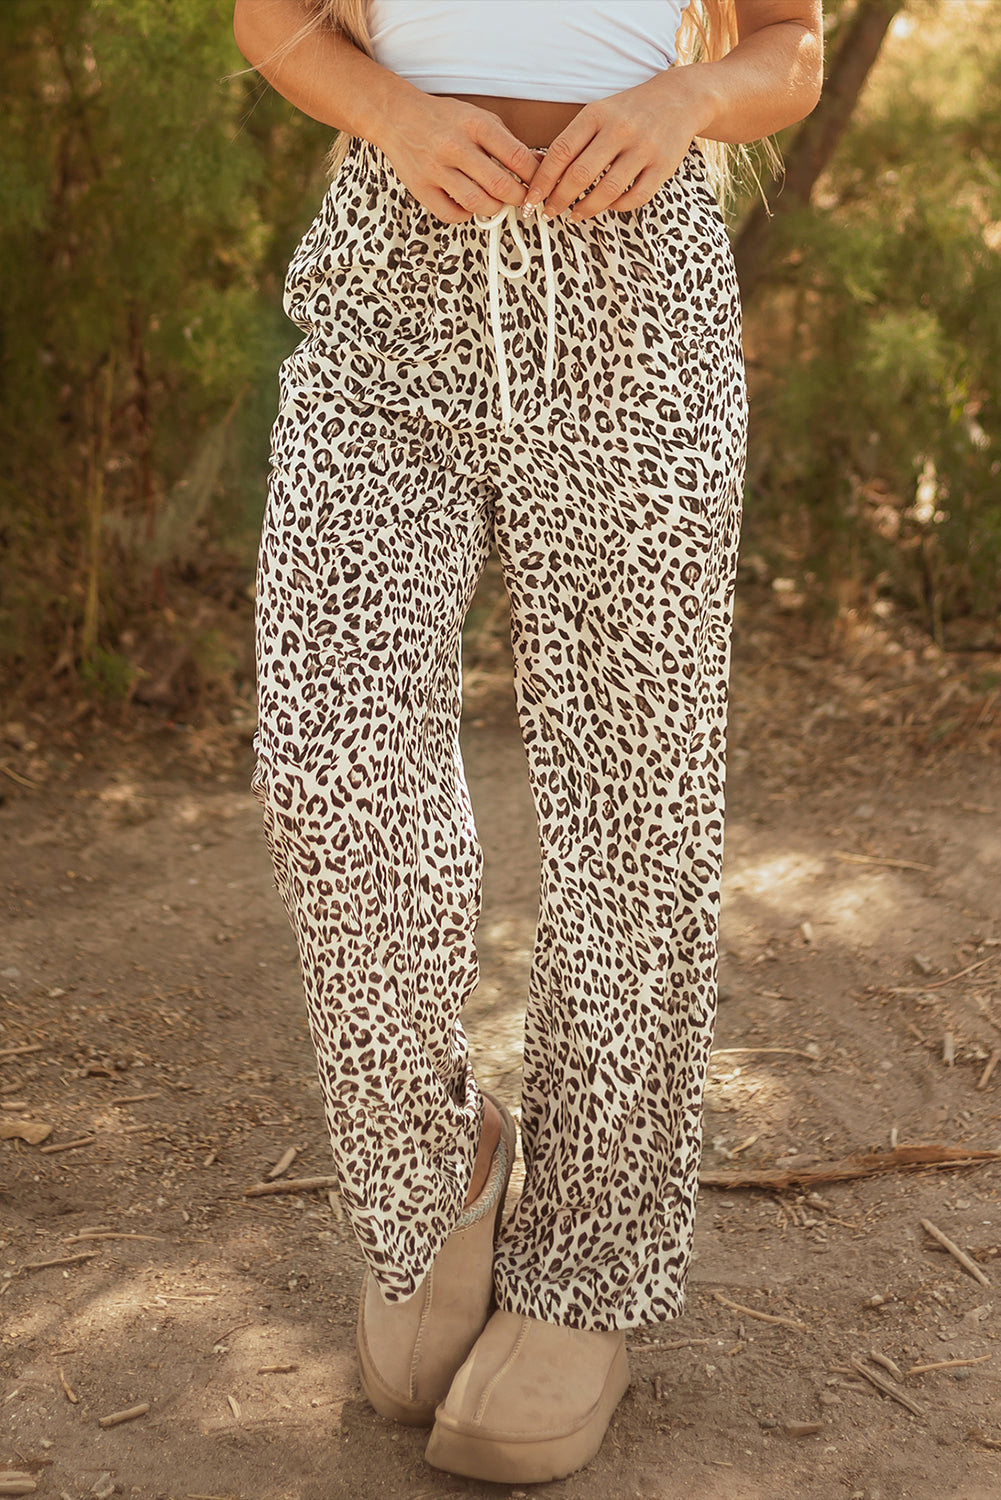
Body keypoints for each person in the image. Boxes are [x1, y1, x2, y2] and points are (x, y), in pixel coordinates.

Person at [233, 0, 823, 1483]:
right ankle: (433, 1179)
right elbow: (272, 18)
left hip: (637, 301)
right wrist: (397, 115)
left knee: (636, 812)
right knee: (330, 770)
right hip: (386, 291)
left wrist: (685, 104)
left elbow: (788, 45)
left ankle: (585, 1267)